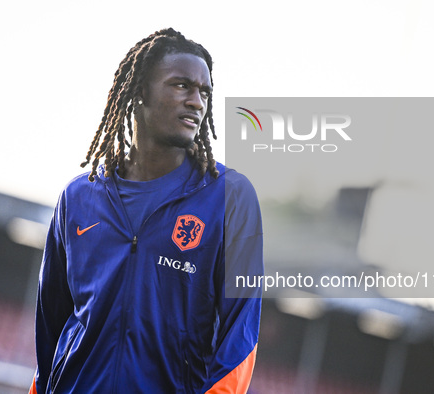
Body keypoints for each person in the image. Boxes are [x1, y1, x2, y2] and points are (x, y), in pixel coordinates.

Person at [29, 28, 263, 393]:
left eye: (204, 92)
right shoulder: (78, 197)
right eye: (181, 85)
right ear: (139, 92)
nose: (197, 101)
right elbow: (50, 326)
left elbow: (241, 337)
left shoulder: (229, 198)